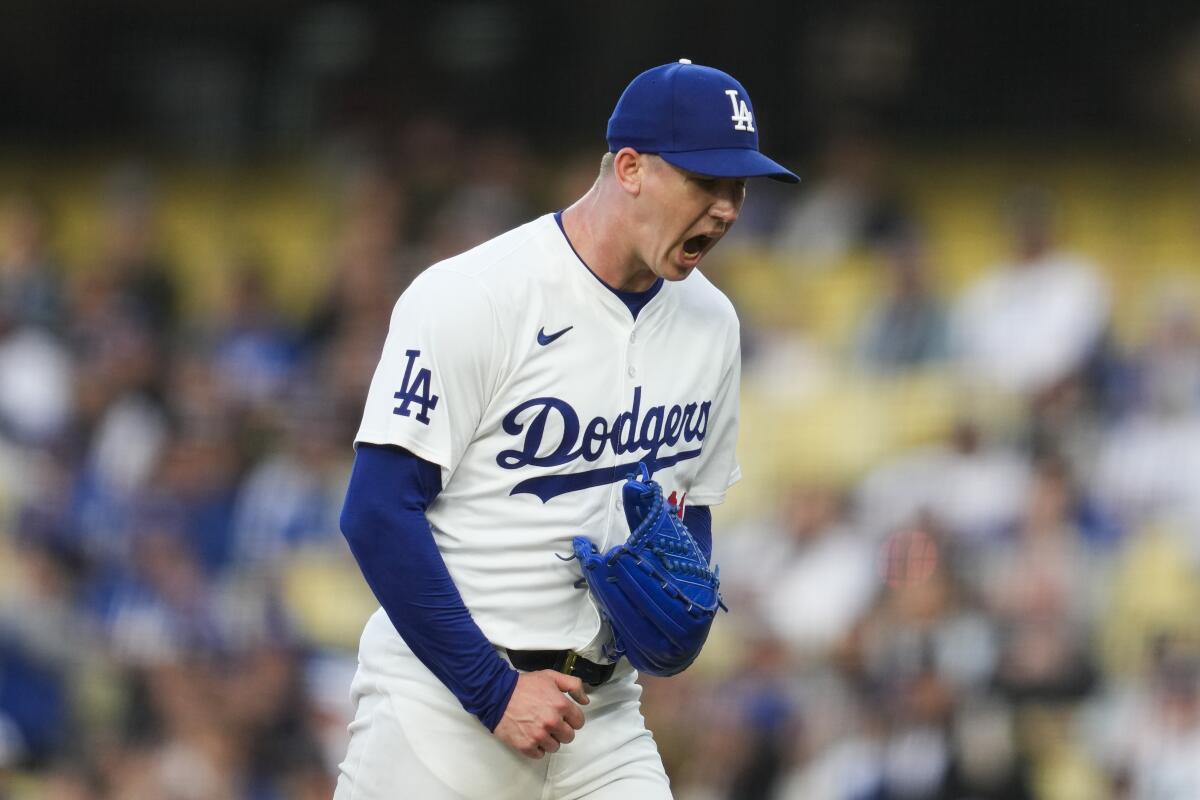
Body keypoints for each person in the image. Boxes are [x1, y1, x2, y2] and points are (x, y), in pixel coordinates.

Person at [334, 59, 798, 799]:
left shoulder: (712, 323)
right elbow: (376, 512)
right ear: (630, 167)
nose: (727, 208)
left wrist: (682, 614)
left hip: (601, 715)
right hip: (443, 703)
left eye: (738, 186)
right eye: (707, 182)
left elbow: (696, 507)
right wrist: (492, 691)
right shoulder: (476, 295)